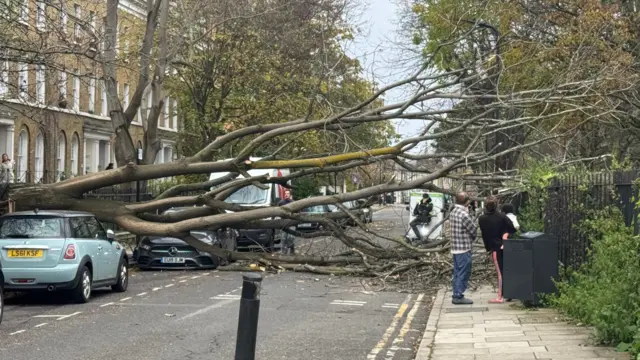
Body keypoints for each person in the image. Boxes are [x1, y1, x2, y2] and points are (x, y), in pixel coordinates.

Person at [478, 197, 517, 304]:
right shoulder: (502, 217)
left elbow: (485, 234)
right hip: (505, 246)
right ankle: (508, 293)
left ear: (485, 206)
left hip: (494, 248)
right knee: (507, 270)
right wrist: (505, 235)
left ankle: (500, 297)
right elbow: (512, 229)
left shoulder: (482, 219)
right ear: (497, 205)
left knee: (500, 272)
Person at [450, 192, 477, 305]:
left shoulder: (453, 212)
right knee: (464, 272)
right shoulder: (463, 214)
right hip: (464, 247)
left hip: (455, 247)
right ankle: (458, 296)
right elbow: (473, 229)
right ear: (466, 202)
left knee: (457, 272)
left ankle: (456, 293)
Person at [278, 190, 295, 254]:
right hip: (283, 223)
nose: (286, 194)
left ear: (290, 195)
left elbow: (297, 212)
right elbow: (277, 211)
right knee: (283, 238)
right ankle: (283, 252)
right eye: (285, 193)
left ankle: (292, 247)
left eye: (287, 193)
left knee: (290, 237)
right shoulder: (281, 203)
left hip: (291, 222)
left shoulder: (293, 203)